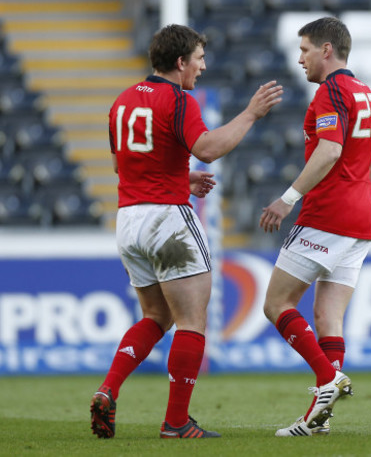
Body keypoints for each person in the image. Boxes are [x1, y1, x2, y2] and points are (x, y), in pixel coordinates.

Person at [90, 24, 283, 440]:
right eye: (198, 59)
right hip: (167, 222)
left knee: (155, 316)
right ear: (180, 63)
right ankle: (176, 422)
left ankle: (108, 389)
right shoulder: (179, 99)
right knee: (192, 320)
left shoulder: (121, 101)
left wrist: (181, 180)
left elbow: (123, 167)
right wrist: (250, 113)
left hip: (129, 220)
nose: (203, 66)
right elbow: (208, 149)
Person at [259, 17, 371, 437]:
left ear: (327, 50)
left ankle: (327, 380)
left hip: (326, 215)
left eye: (305, 50)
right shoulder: (369, 96)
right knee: (328, 318)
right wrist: (360, 203)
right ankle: (320, 420)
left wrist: (287, 198)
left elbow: (329, 151)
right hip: (360, 221)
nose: (300, 59)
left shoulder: (331, 93)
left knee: (276, 305)